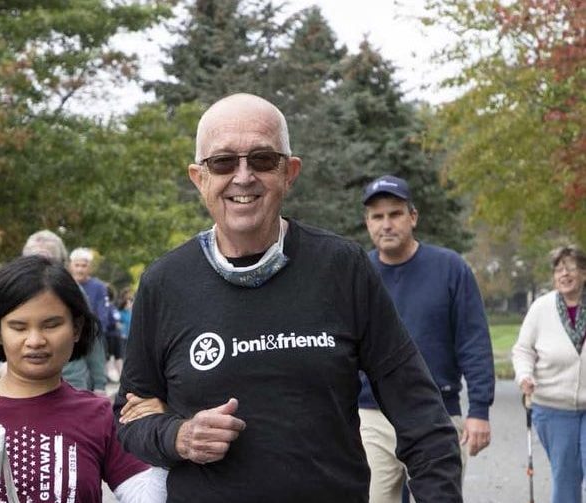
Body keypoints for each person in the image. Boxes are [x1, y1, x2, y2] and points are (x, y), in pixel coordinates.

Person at [113, 93, 461, 502]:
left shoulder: (341, 267)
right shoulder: (164, 282)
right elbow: (130, 420)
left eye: (262, 159)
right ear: (198, 177)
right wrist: (179, 436)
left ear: (289, 172)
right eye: (223, 162)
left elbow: (419, 410)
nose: (243, 176)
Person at [0, 255, 165, 502]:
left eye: (51, 325)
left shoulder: (99, 416)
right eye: (18, 327)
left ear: (76, 328)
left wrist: (163, 435)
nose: (35, 341)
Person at [357, 175, 495, 503]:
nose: (386, 224)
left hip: (437, 410)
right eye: (377, 217)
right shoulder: (358, 272)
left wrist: (479, 410)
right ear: (367, 223)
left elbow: (473, 341)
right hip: (371, 414)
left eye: (395, 214)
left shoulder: (450, 268)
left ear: (413, 217)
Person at [512, 245, 586, 503]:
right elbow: (523, 350)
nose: (564, 274)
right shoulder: (541, 308)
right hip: (553, 408)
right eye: (559, 269)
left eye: (571, 268)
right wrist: (524, 375)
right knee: (565, 478)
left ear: (584, 273)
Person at [22, 230, 108, 394]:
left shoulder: (72, 291)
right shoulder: (13, 292)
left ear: (59, 263)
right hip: (25, 383)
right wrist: (1, 364)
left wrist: (99, 384)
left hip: (70, 380)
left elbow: (92, 336)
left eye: (46, 261)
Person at [68, 247, 111, 391]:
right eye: (77, 265)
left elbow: (102, 314)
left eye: (84, 265)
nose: (80, 269)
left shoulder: (98, 287)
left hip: (92, 335)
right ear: (70, 265)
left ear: (89, 268)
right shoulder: (63, 285)